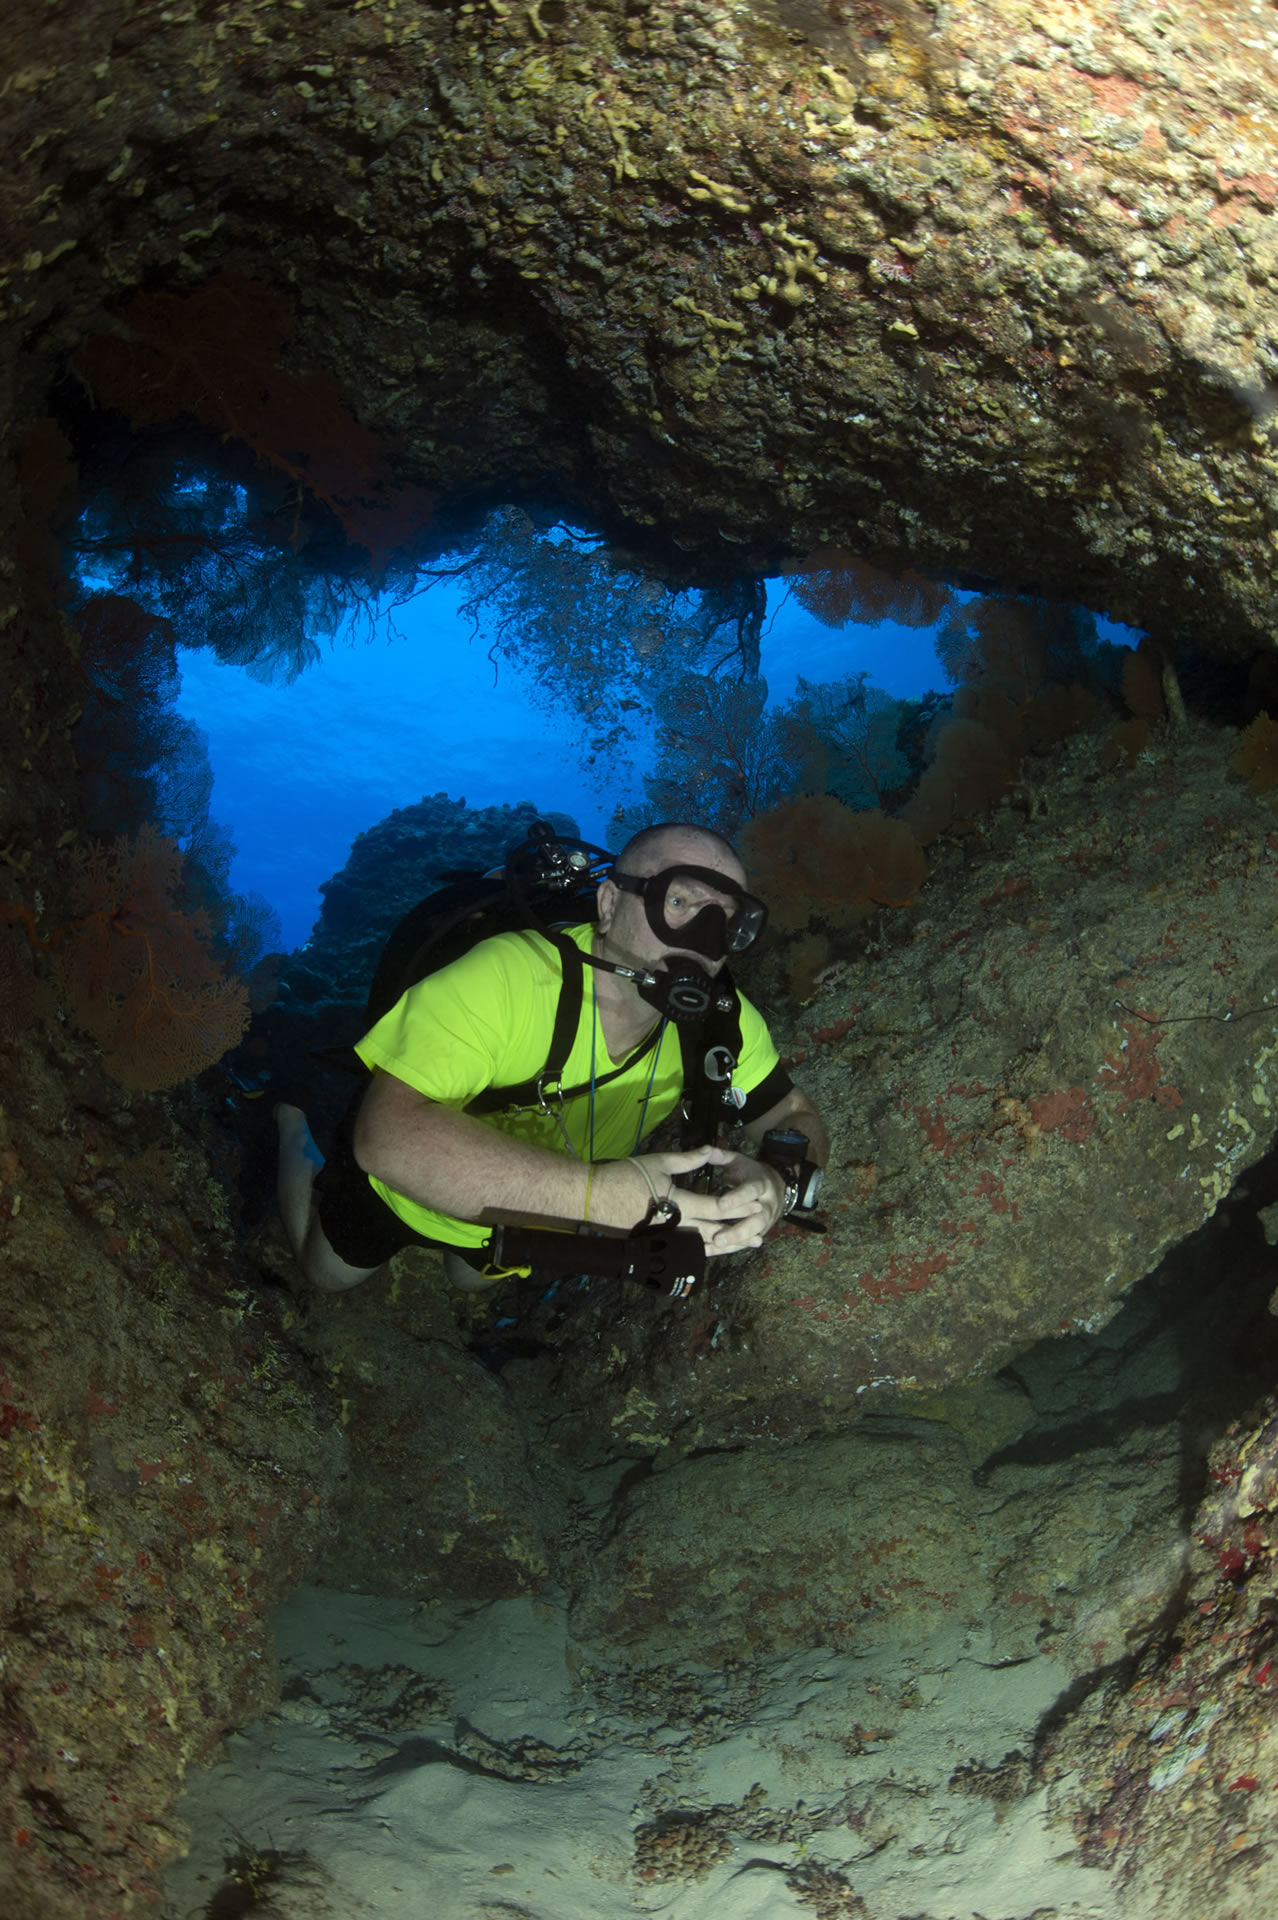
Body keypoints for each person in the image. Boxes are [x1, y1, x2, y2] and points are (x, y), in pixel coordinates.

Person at [276, 822, 829, 1294]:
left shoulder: (721, 1022)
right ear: (609, 904)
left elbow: (791, 1113)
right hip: (405, 1192)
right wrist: (595, 1197)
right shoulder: (507, 977)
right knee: (324, 1275)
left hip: (530, 1211)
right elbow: (387, 1137)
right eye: (678, 902)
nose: (704, 940)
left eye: (726, 919)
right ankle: (290, 1119)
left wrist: (778, 1183)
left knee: (468, 1282)